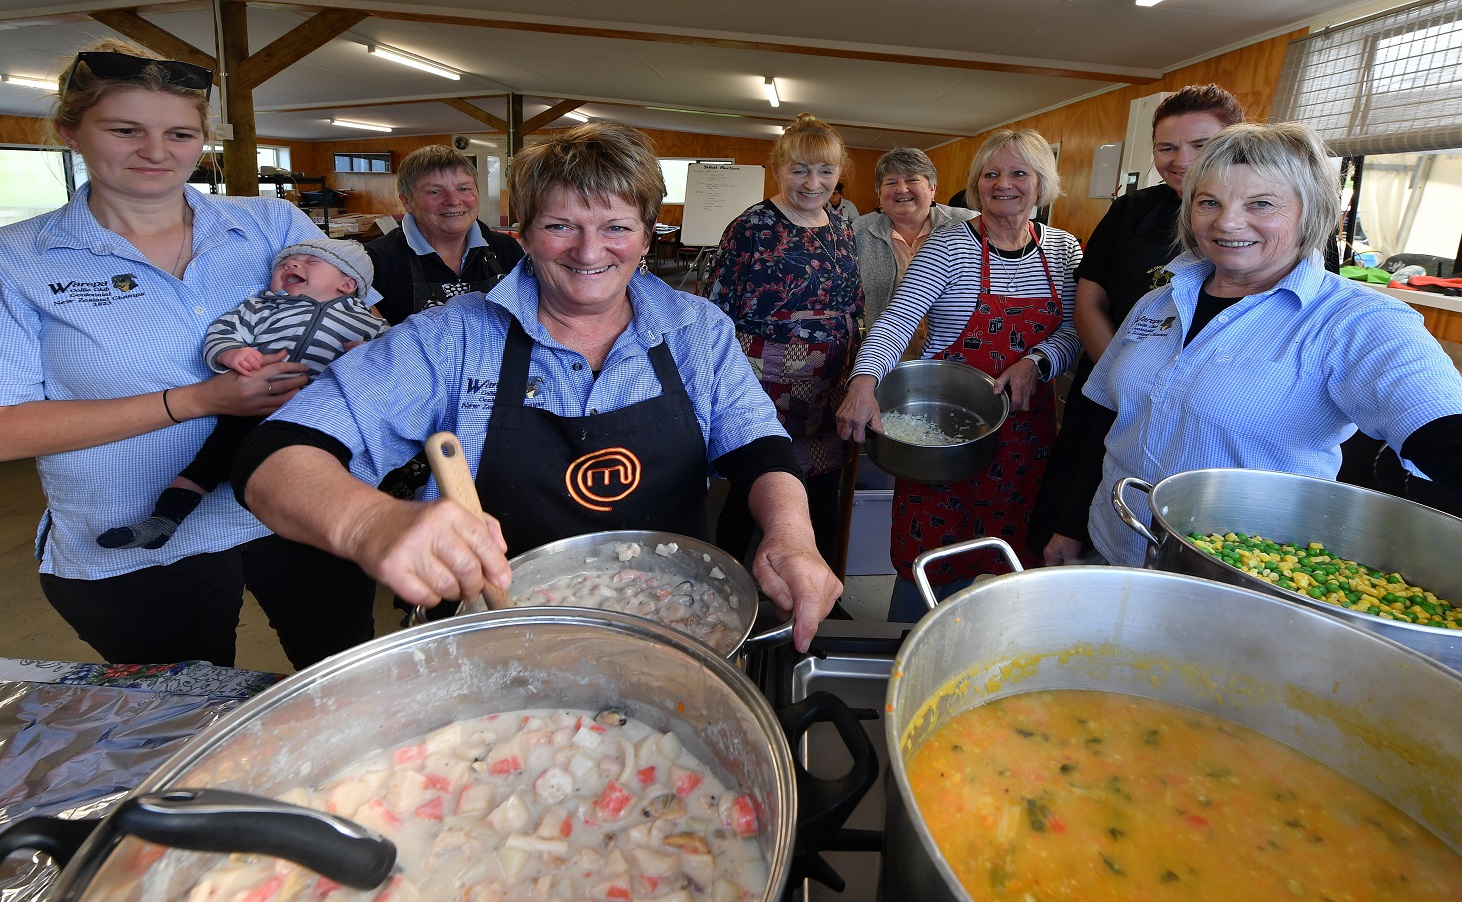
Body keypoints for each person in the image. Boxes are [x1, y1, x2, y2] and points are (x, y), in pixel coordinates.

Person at [233, 122, 842, 653]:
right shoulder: (451, 340)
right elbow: (274, 455)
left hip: (672, 634)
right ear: (520, 233)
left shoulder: (695, 329)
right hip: (489, 638)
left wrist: (792, 535)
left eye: (616, 227)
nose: (589, 251)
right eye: (560, 226)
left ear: (647, 235)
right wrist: (370, 524)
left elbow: (759, 446)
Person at [0, 41, 376, 668]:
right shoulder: (17, 259)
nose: (156, 152)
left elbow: (362, 325)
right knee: (182, 725)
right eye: (125, 130)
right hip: (133, 542)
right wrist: (197, 400)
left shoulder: (270, 225)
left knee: (351, 682)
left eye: (180, 134)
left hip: (298, 503)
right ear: (70, 131)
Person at [1081, 121, 1462, 568]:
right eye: (1209, 202)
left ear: (1311, 211)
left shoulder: (1356, 319)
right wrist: (1067, 521)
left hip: (1238, 578)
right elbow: (1108, 420)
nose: (1227, 223)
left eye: (1261, 203)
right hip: (1115, 542)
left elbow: (1443, 434)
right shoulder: (1162, 297)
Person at [836, 129, 1083, 621]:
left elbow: (1076, 331)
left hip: (1024, 435)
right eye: (990, 174)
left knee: (1015, 554)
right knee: (927, 558)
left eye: (1018, 173)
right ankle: (909, 651)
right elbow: (900, 317)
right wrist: (864, 381)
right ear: (975, 185)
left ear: (1042, 183)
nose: (1003, 184)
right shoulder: (950, 246)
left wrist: (1036, 363)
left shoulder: (1064, 250)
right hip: (946, 433)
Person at [1031, 84, 1244, 565]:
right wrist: (1128, 378)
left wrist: (1159, 390)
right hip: (1108, 384)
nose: (1181, 160)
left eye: (1201, 146)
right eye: (1167, 147)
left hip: (1203, 407)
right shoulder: (1134, 209)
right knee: (1067, 525)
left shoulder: (1261, 228)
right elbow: (1090, 296)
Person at [97, 238, 386, 550]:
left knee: (320, 465)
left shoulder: (368, 323)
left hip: (320, 411)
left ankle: (336, 524)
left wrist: (369, 356)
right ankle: (162, 520)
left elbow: (395, 357)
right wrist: (230, 353)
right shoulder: (261, 307)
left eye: (310, 261)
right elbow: (222, 333)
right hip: (254, 404)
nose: (290, 264)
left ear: (346, 284)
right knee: (210, 459)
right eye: (283, 263)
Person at [706, 112, 863, 569]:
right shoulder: (751, 227)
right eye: (800, 170)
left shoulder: (840, 226)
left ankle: (821, 589)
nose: (814, 183)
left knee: (824, 487)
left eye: (826, 171)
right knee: (760, 483)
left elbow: (855, 302)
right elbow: (716, 310)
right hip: (767, 385)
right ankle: (726, 579)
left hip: (830, 385)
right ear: (778, 170)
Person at [365, 144, 525, 326]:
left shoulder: (507, 250)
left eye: (463, 189)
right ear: (406, 201)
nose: (454, 201)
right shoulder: (374, 262)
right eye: (435, 191)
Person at [852, 146, 976, 357]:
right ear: (879, 193)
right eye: (891, 182)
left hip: (957, 354)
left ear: (932, 188)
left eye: (912, 179)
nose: (901, 189)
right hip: (887, 357)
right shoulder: (858, 232)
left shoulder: (968, 224)